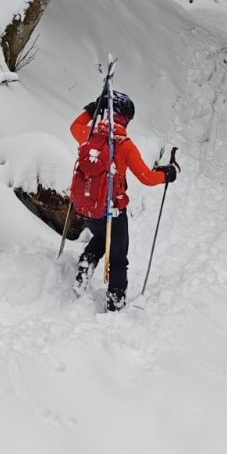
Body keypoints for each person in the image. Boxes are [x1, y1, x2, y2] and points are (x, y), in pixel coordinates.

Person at [69, 92, 178, 311]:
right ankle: (115, 300)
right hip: (114, 210)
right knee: (118, 256)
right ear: (126, 119)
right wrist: (167, 174)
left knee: (101, 236)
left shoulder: (90, 135)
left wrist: (92, 109)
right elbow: (147, 178)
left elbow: (74, 126)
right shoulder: (125, 145)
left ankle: (85, 268)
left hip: (87, 207)